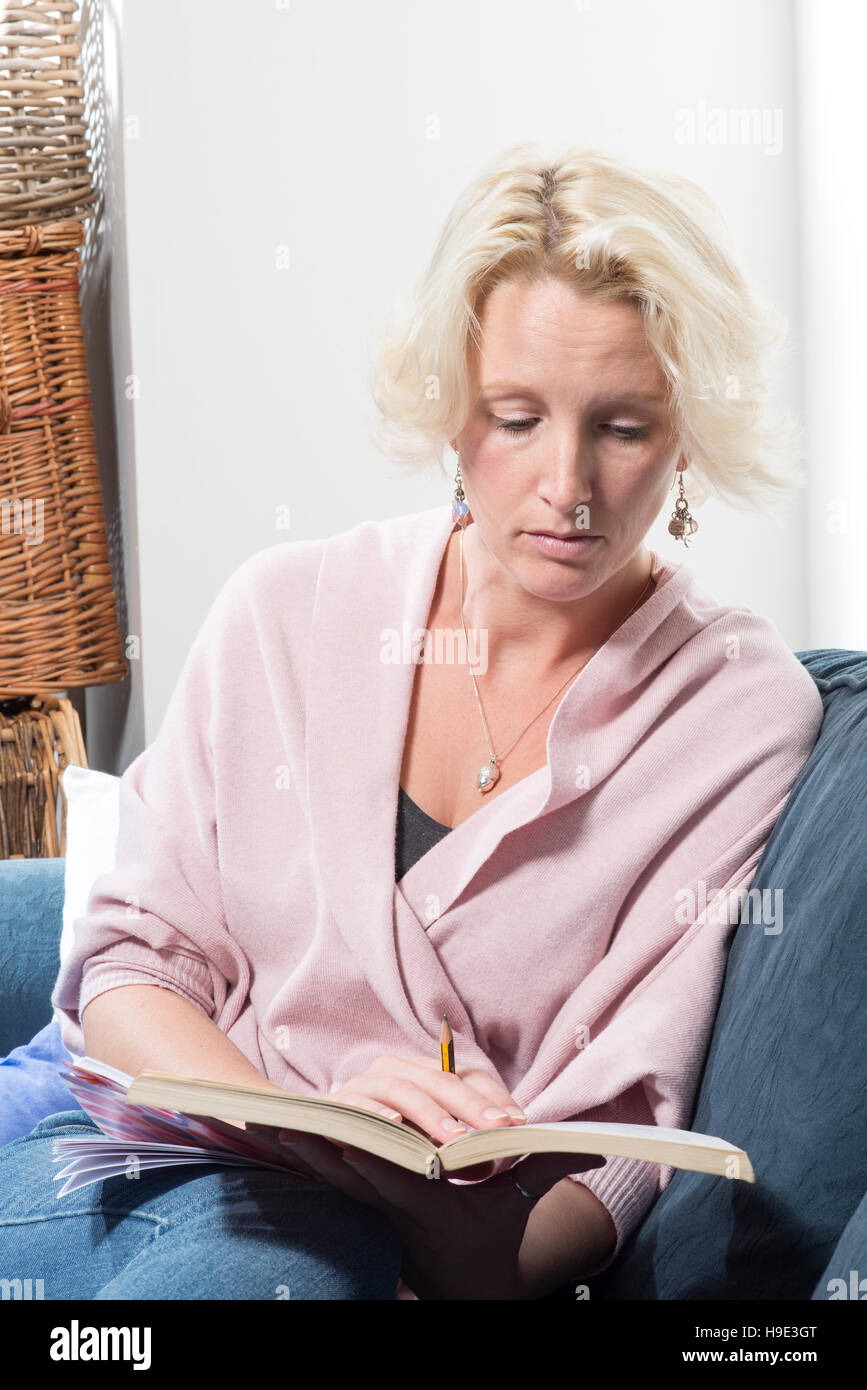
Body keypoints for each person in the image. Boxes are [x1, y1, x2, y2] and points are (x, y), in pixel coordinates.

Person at [0, 143, 823, 1300]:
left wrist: (489, 1264)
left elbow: (633, 1100)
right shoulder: (285, 609)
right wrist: (302, 1114)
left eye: (624, 426)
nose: (567, 484)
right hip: (137, 1137)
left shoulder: (735, 710)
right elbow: (134, 964)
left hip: (352, 1247)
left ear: (686, 433)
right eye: (518, 416)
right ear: (450, 410)